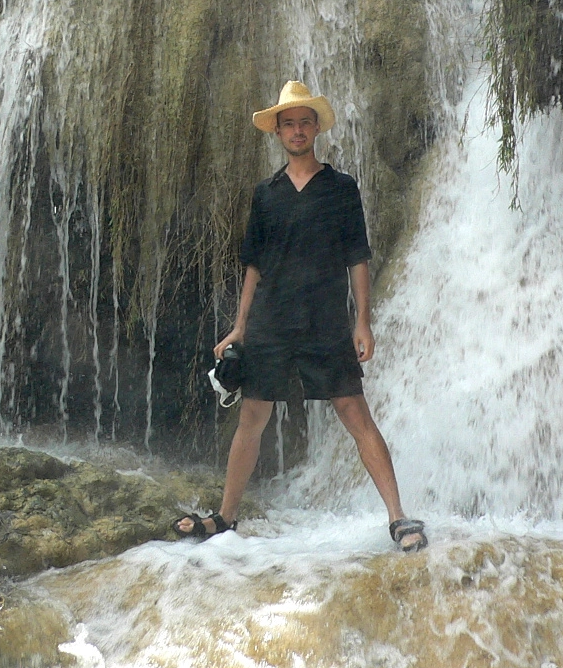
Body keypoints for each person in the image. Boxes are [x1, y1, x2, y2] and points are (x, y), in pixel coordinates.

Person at [172, 80, 428, 552]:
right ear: (278, 132)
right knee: (252, 415)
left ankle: (398, 516)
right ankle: (225, 518)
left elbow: (358, 258)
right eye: (288, 124)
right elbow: (254, 263)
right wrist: (241, 325)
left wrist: (363, 321)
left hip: (326, 320)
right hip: (270, 320)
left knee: (355, 411)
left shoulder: (341, 188)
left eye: (304, 122)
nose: (296, 130)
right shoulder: (265, 194)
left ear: (315, 129)